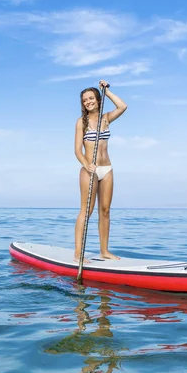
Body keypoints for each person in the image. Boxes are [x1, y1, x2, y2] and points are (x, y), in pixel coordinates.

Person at [74, 79, 127, 263]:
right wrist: (86, 164)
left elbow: (122, 106)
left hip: (107, 168)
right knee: (86, 211)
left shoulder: (106, 118)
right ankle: (78, 253)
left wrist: (107, 90)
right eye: (84, 100)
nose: (88, 102)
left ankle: (104, 251)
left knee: (105, 211)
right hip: (89, 170)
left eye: (91, 98)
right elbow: (77, 150)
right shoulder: (82, 122)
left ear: (97, 98)